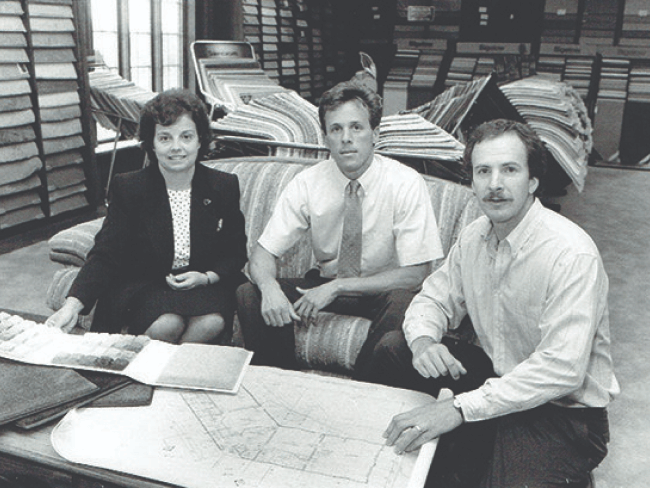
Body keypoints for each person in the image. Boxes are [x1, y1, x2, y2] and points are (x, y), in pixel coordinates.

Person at [378, 119, 619, 488]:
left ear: (532, 180)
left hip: (564, 413)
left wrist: (459, 408)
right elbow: (432, 299)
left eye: (509, 170)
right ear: (472, 182)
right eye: (483, 171)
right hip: (498, 381)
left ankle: (552, 469)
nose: (494, 184)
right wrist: (424, 342)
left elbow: (561, 369)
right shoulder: (473, 237)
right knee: (394, 348)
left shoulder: (571, 253)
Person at [236, 80, 443, 377]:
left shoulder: (405, 183)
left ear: (375, 134)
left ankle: (362, 388)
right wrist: (269, 289)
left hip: (382, 290)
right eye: (336, 129)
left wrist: (337, 287)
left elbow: (415, 274)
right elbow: (262, 255)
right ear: (326, 139)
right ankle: (281, 382)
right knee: (250, 293)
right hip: (325, 282)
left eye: (356, 127)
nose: (346, 138)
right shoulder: (307, 183)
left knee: (403, 303)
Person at [46, 89, 248, 344]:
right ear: (151, 143)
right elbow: (106, 252)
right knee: (167, 324)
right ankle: (155, 365)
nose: (177, 147)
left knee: (211, 323)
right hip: (146, 283)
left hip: (203, 283)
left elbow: (235, 251)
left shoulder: (223, 186)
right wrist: (72, 305)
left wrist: (207, 277)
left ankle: (165, 366)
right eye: (165, 138)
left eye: (186, 136)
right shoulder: (129, 187)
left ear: (200, 140)